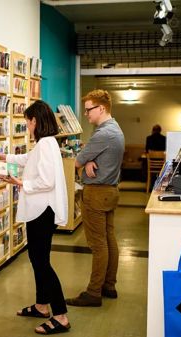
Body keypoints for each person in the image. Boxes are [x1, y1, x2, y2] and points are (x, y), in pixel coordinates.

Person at [0, 100, 70, 335]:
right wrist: (4, 157)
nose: (27, 125)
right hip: (42, 210)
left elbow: (46, 181)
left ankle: (61, 316)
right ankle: (41, 305)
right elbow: (29, 159)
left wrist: (19, 182)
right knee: (38, 259)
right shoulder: (47, 144)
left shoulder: (45, 144)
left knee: (41, 262)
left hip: (41, 211)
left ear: (35, 121)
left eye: (27, 121)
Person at [66, 89, 125, 307]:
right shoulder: (115, 129)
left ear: (101, 108)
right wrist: (89, 160)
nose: (86, 114)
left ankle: (93, 292)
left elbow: (77, 161)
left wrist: (85, 162)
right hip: (110, 191)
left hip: (97, 193)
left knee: (98, 244)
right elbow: (88, 158)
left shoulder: (102, 134)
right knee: (109, 239)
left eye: (89, 109)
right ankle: (109, 285)